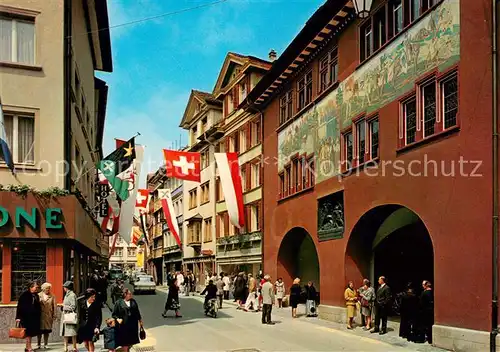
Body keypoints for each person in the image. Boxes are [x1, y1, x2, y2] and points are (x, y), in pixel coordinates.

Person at [16, 281, 41, 352]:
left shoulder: (36, 295)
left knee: (30, 334)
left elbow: (37, 306)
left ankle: (27, 348)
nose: (37, 288)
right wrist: (18, 317)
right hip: (25, 317)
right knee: (28, 333)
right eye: (36, 287)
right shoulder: (24, 295)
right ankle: (29, 348)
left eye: (37, 287)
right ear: (31, 287)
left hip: (33, 318)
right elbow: (19, 307)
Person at [37, 282, 57, 349]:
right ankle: (38, 344)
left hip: (48, 315)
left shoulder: (52, 296)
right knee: (39, 330)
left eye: (49, 289)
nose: (48, 290)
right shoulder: (38, 295)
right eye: (47, 289)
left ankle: (46, 344)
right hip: (40, 316)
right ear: (43, 289)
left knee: (46, 331)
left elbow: (55, 306)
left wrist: (54, 315)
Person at [61, 281, 78, 352]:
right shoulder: (67, 295)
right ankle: (66, 347)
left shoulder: (71, 295)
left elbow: (73, 306)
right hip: (66, 315)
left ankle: (74, 347)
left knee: (72, 333)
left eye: (64, 287)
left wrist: (63, 306)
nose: (64, 288)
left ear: (67, 288)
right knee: (66, 332)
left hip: (69, 316)